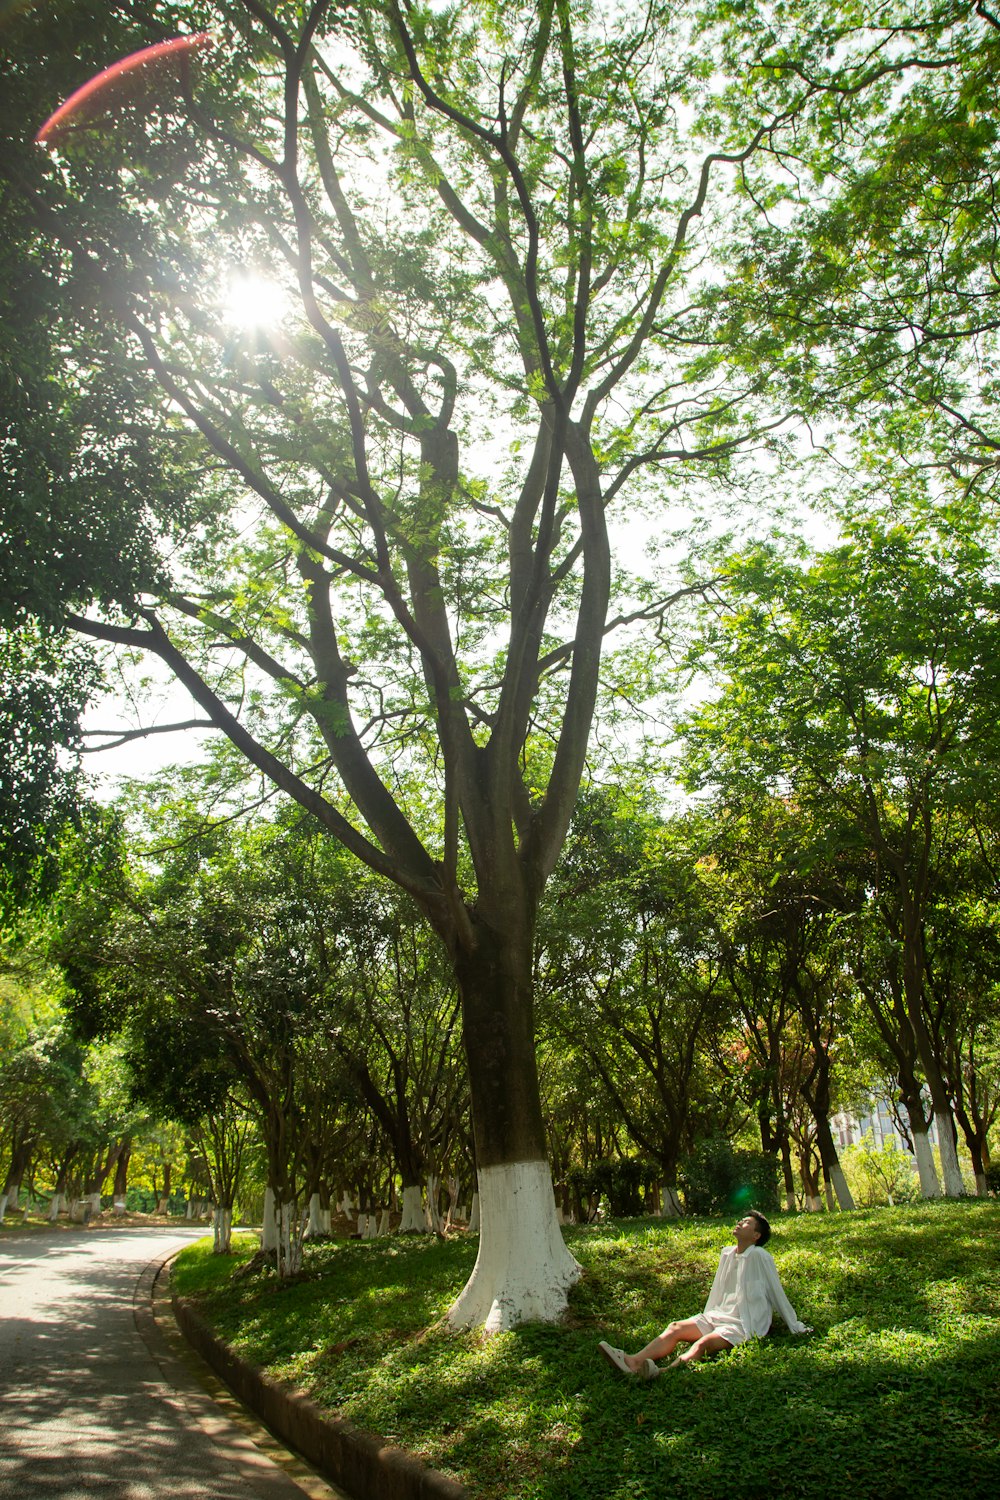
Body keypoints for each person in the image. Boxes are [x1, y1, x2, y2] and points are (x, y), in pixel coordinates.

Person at [598, 1210, 811, 1379]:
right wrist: (706, 1319)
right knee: (675, 1327)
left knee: (702, 1344)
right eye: (741, 1220)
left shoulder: (760, 1256)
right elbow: (719, 1289)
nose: (740, 1223)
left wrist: (795, 1325)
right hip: (717, 1316)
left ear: (756, 1235)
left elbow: (776, 1292)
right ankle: (633, 1361)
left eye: (746, 1223)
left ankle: (662, 1372)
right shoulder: (727, 1253)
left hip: (742, 1323)